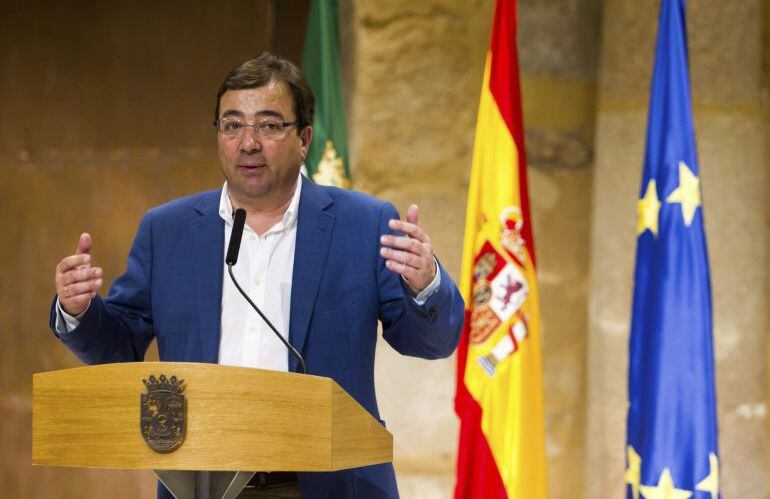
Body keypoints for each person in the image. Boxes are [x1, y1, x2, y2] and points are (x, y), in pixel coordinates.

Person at [49, 52, 464, 499]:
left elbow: (431, 342)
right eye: (232, 125)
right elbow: (118, 345)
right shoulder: (167, 230)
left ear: (304, 138)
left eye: (268, 125)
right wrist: (79, 311)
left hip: (330, 484)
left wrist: (426, 284)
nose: (248, 142)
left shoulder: (363, 224)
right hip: (204, 485)